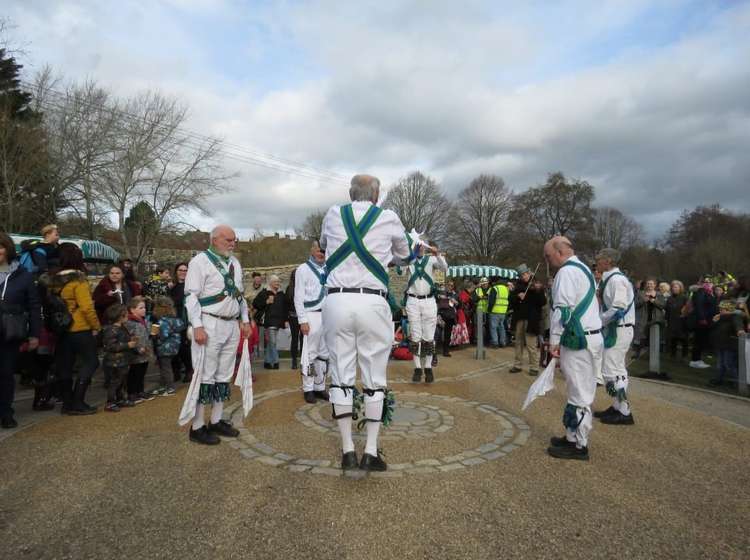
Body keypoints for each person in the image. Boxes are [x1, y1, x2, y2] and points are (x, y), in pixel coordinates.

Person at [320, 174, 423, 471]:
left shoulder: (332, 214)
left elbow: (325, 245)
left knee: (341, 373)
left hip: (336, 301)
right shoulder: (388, 217)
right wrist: (387, 254)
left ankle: (347, 451)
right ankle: (371, 451)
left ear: (351, 193)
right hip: (372, 301)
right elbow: (404, 257)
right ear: (376, 195)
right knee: (374, 377)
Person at [181, 225, 251, 445]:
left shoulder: (235, 263)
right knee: (206, 374)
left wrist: (245, 319)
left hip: (231, 325)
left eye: (234, 240)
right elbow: (191, 297)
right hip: (209, 323)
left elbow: (239, 295)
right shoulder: (198, 262)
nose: (233, 243)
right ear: (214, 239)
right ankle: (197, 425)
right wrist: (197, 325)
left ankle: (216, 419)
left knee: (224, 373)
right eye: (228, 240)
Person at [544, 236, 603, 461]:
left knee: (579, 392)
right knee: (578, 389)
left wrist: (554, 342)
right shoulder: (584, 269)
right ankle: (572, 436)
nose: (548, 260)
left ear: (559, 252)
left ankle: (579, 444)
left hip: (579, 340)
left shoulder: (567, 273)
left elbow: (561, 310)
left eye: (548, 256)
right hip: (589, 337)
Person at [45, 243, 101, 415]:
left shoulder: (51, 281)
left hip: (61, 328)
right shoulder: (78, 280)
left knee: (65, 365)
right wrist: (96, 326)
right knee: (91, 362)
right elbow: (86, 307)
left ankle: (67, 402)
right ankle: (78, 401)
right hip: (79, 327)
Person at [0, 233, 41, 429]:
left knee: (6, 373)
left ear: (7, 249)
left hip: (10, 331)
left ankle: (6, 412)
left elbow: (34, 306)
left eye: (0, 247)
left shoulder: (22, 274)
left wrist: (35, 333)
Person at [593, 248, 636, 425]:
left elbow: (618, 308)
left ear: (609, 261)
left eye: (600, 259)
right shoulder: (610, 279)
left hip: (619, 328)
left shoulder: (617, 280)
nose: (597, 262)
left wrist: (599, 320)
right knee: (617, 369)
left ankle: (624, 410)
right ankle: (618, 406)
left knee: (611, 370)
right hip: (617, 328)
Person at [402, 241, 447, 383]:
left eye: (422, 245)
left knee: (429, 336)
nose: (420, 248)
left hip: (429, 301)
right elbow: (400, 271)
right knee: (415, 335)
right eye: (417, 245)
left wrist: (437, 254)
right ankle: (417, 368)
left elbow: (444, 268)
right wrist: (410, 256)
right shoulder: (409, 260)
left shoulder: (432, 259)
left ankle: (427, 367)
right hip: (413, 301)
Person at [293, 240, 330, 403]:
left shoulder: (329, 268)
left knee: (323, 354)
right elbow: (298, 296)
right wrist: (302, 320)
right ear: (312, 250)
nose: (321, 253)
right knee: (310, 354)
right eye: (318, 250)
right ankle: (308, 389)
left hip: (328, 315)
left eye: (323, 250)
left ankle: (320, 387)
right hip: (311, 315)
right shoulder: (303, 269)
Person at [509, 264, 547, 375]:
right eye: (522, 275)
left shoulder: (537, 284)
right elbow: (511, 301)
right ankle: (517, 365)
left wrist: (538, 291)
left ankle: (534, 367)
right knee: (518, 343)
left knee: (531, 344)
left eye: (525, 274)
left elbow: (543, 302)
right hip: (520, 318)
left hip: (532, 319)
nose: (524, 276)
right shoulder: (518, 286)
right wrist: (517, 296)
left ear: (529, 273)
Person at [101, 304, 138, 412]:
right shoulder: (111, 330)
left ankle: (121, 399)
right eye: (126, 314)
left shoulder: (121, 327)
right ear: (120, 316)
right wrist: (127, 345)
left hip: (123, 360)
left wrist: (131, 340)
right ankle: (110, 402)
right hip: (115, 361)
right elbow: (110, 346)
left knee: (122, 381)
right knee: (115, 382)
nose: (127, 315)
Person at [150, 296, 185, 396]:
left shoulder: (162, 322)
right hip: (174, 347)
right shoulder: (175, 320)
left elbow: (162, 335)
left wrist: (154, 337)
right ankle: (163, 385)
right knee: (164, 367)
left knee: (165, 368)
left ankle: (170, 387)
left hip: (164, 348)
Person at [253, 274, 288, 370]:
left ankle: (267, 362)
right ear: (271, 283)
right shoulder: (264, 293)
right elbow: (255, 304)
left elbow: (285, 308)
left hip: (278, 321)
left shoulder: (281, 294)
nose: (278, 283)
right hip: (268, 321)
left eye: (278, 282)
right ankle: (276, 361)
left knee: (271, 343)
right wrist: (266, 302)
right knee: (273, 342)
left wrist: (285, 320)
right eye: (276, 282)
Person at [708, 298, 745, 387]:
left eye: (722, 309)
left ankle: (736, 382)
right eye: (720, 309)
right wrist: (714, 321)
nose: (720, 311)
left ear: (729, 310)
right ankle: (719, 379)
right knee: (720, 364)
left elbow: (738, 325)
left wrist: (739, 330)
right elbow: (712, 328)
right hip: (721, 343)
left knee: (728, 364)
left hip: (730, 344)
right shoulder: (720, 318)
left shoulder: (735, 317)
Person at [125, 296, 154, 404]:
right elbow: (129, 337)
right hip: (136, 353)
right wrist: (137, 349)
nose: (144, 310)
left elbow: (147, 333)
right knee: (134, 373)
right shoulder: (130, 322)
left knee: (142, 372)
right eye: (141, 308)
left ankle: (140, 391)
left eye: (144, 307)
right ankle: (132, 393)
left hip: (145, 350)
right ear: (132, 310)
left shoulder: (144, 320)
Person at [688, 276, 718, 369]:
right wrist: (702, 318)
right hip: (701, 321)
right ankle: (695, 360)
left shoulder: (709, 292)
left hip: (707, 320)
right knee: (699, 340)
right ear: (701, 283)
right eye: (705, 282)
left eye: (709, 282)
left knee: (701, 340)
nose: (708, 283)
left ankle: (698, 359)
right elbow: (699, 306)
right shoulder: (701, 292)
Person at [170, 262, 193, 382]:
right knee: (174, 346)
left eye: (185, 270)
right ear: (176, 272)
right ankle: (176, 370)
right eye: (180, 270)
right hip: (174, 320)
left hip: (187, 320)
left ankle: (189, 369)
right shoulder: (171, 287)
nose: (183, 272)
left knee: (185, 347)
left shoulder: (191, 287)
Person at [665, 280, 689, 359]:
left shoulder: (685, 297)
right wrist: (666, 319)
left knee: (683, 339)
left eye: (676, 287)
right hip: (672, 320)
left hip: (682, 321)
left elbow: (688, 309)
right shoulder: (670, 298)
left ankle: (684, 355)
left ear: (680, 288)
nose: (674, 289)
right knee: (673, 339)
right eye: (673, 287)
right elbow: (667, 310)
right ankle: (673, 355)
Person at [285, 271, 303, 370]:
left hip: (303, 316)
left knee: (303, 338)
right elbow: (286, 305)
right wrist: (286, 318)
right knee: (295, 339)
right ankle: (294, 360)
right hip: (293, 317)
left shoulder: (303, 287)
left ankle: (303, 360)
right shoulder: (289, 289)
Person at [487, 278, 510, 348]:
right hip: (503, 311)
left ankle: (495, 343)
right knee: (501, 327)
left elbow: (491, 301)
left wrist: (489, 310)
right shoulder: (506, 289)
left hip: (495, 311)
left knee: (493, 327)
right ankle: (502, 342)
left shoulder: (495, 288)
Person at [436, 282, 458, 357]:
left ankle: (446, 351)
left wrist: (456, 302)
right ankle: (434, 351)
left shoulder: (455, 294)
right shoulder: (441, 293)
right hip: (441, 315)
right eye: (448, 285)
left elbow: (459, 305)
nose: (450, 286)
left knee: (447, 335)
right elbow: (437, 302)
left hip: (450, 317)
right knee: (437, 334)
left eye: (451, 285)